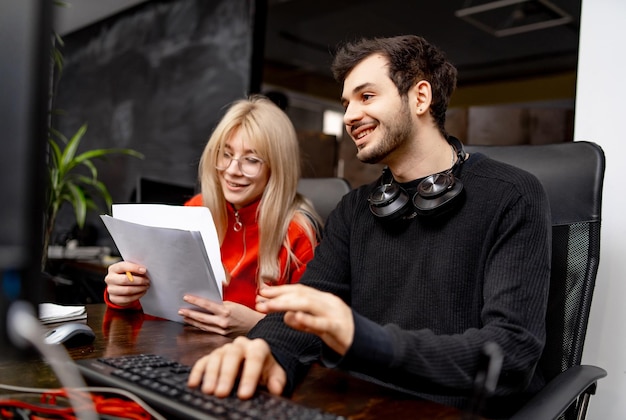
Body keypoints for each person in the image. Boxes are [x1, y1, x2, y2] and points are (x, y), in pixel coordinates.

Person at [187, 35, 551, 418]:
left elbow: (511, 354)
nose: (348, 117)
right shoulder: (356, 210)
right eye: (346, 104)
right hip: (354, 407)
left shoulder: (511, 195)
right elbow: (306, 311)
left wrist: (364, 339)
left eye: (366, 97)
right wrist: (263, 348)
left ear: (420, 98)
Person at [104, 95, 322, 337]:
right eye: (226, 154)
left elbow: (313, 336)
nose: (231, 171)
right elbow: (161, 304)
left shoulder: (297, 234)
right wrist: (124, 294)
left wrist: (257, 326)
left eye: (251, 160)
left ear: (277, 168)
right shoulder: (198, 208)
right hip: (179, 351)